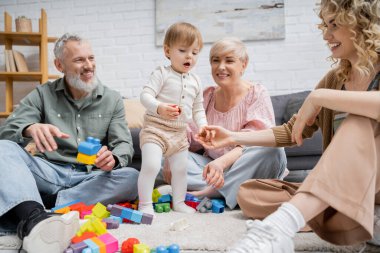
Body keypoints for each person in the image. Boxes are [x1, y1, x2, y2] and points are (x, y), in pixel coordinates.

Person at [196, 0, 380, 252]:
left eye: (334, 25)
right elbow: (290, 133)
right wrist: (231, 137)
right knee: (250, 193)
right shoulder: (335, 79)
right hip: (341, 183)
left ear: (360, 22)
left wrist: (319, 97)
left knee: (357, 120)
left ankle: (279, 227)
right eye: (325, 27)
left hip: (375, 181)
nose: (326, 35)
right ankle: (341, 212)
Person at [0, 33, 139, 253]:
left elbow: (123, 143)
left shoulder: (112, 99)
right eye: (79, 60)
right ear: (59, 65)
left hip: (89, 176)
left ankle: (44, 205)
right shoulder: (42, 94)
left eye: (91, 58)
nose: (89, 66)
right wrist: (29, 128)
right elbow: (6, 131)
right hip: (48, 172)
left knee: (132, 177)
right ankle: (34, 220)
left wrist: (112, 159)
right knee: (4, 149)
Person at [160, 37, 287, 209]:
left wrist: (221, 163)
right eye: (215, 61)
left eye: (229, 61)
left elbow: (255, 141)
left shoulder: (256, 93)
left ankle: (214, 191)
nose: (221, 67)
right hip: (211, 167)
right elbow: (187, 133)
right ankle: (229, 188)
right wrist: (171, 155)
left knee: (273, 150)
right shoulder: (207, 96)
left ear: (243, 64)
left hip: (246, 165)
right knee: (164, 155)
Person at [138, 22, 207, 215]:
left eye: (195, 52)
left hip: (179, 133)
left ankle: (179, 202)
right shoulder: (162, 73)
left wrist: (203, 126)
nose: (189, 57)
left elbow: (198, 109)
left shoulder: (196, 81)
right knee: (151, 165)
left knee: (180, 170)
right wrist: (159, 108)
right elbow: (145, 96)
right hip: (155, 129)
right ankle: (144, 205)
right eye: (183, 50)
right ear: (167, 51)